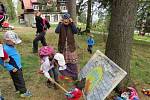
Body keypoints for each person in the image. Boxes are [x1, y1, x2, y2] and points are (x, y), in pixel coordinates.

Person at [0, 31, 32, 97]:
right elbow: (1, 61)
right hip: (14, 68)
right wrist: (11, 68)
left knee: (16, 79)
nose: (15, 43)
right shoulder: (4, 49)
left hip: (17, 67)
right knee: (20, 80)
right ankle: (24, 92)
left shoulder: (10, 46)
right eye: (13, 41)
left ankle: (18, 90)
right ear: (7, 40)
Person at [55, 13, 78, 80]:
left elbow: (75, 31)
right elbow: (56, 31)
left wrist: (72, 23)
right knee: (63, 62)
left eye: (67, 19)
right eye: (64, 19)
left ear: (69, 19)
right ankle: (66, 74)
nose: (66, 20)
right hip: (62, 48)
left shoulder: (71, 25)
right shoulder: (61, 25)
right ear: (63, 19)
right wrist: (59, 23)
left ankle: (74, 75)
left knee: (72, 62)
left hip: (70, 47)